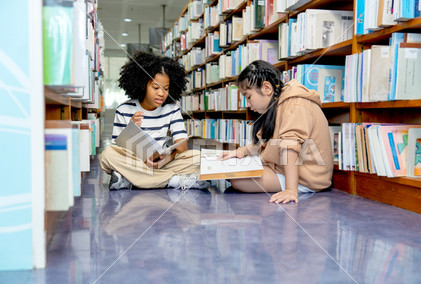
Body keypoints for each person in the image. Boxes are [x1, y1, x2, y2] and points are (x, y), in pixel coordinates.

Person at [219, 60, 333, 204]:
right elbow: (271, 141)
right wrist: (242, 151)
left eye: (248, 97)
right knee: (233, 173)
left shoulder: (295, 104)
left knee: (238, 180)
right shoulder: (279, 104)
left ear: (266, 88)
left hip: (308, 177)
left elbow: (290, 147)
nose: (248, 104)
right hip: (288, 169)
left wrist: (291, 190)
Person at [99, 52, 210, 190]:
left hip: (162, 163)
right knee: (107, 155)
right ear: (142, 84)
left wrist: (166, 159)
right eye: (156, 87)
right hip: (134, 162)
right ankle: (173, 181)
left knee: (199, 158)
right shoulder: (124, 109)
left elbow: (182, 148)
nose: (161, 93)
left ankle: (132, 180)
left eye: (166, 88)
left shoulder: (172, 109)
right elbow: (119, 149)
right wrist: (131, 128)